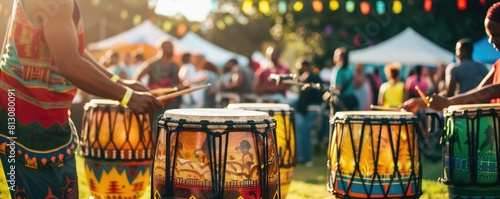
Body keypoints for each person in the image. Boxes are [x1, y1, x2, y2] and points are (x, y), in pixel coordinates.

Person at [0, 1, 162, 198]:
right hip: (31, 117)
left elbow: (71, 47)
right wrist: (127, 97)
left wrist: (120, 82)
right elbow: (69, 62)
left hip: (19, 107)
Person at [403, 2, 500, 112]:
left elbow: (495, 90)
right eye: (489, 35)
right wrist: (420, 102)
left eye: (497, 35)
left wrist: (449, 102)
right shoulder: (496, 65)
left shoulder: (454, 68)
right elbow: (479, 91)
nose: (491, 40)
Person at [291, 60, 323, 167]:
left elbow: (305, 97)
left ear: (305, 66)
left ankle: (304, 158)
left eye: (299, 66)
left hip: (306, 110)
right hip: (312, 109)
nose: (298, 69)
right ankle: (305, 158)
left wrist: (301, 109)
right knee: (307, 134)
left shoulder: (308, 76)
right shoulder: (315, 76)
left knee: (303, 134)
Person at [330, 46, 357, 111]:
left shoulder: (338, 70)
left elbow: (338, 88)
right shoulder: (351, 69)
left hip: (342, 101)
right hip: (352, 99)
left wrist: (329, 91)